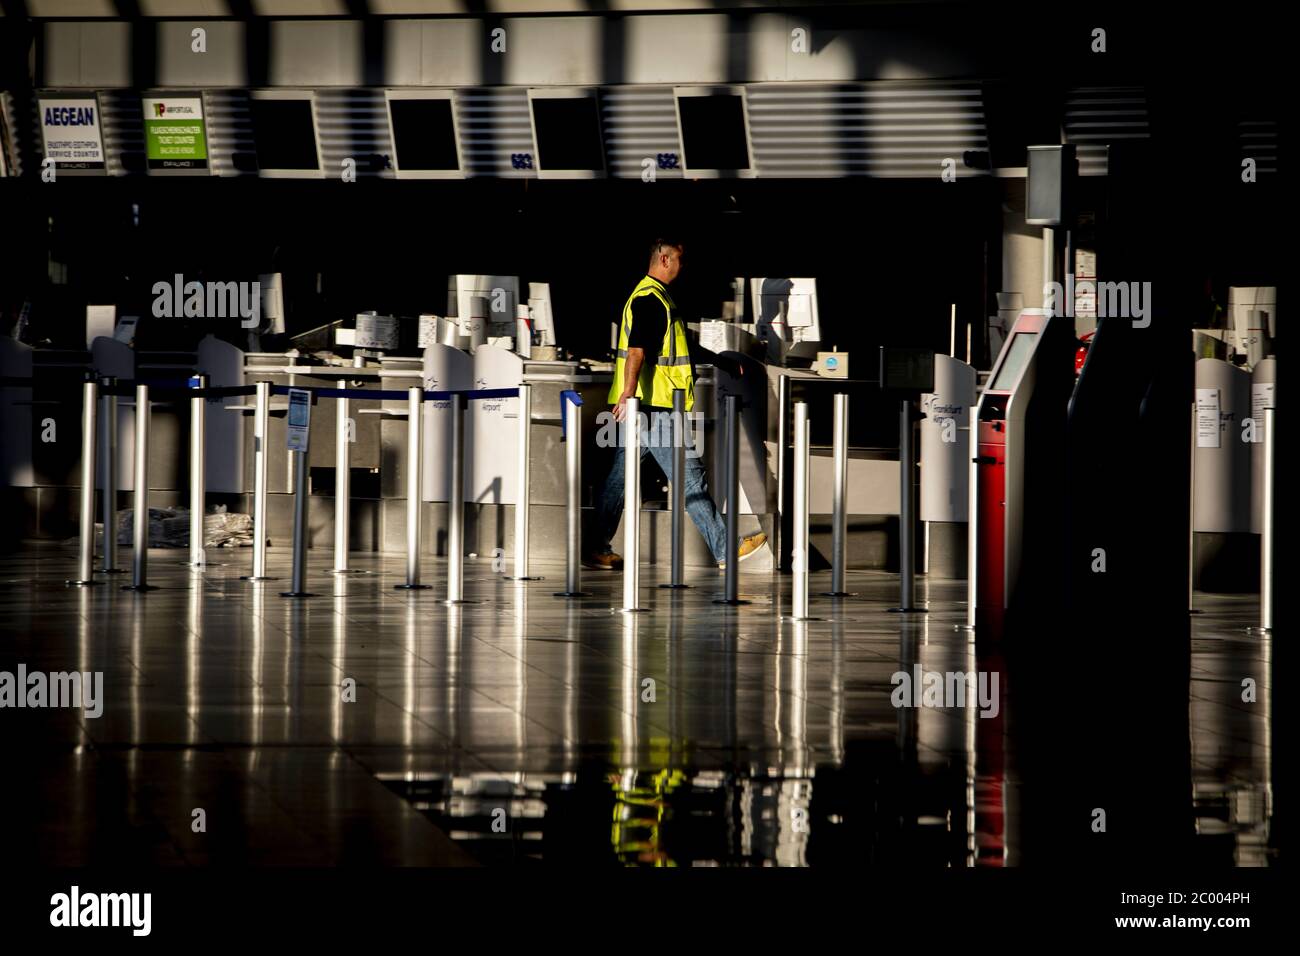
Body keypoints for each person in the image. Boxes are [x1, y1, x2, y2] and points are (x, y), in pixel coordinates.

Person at [585, 238, 767, 571]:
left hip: (644, 406)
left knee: (618, 478)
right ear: (665, 259)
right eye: (681, 261)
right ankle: (727, 548)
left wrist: (723, 363)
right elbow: (638, 351)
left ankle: (596, 547)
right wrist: (628, 392)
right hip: (655, 408)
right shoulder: (650, 300)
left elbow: (683, 345)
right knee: (690, 478)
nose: (684, 267)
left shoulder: (658, 298)